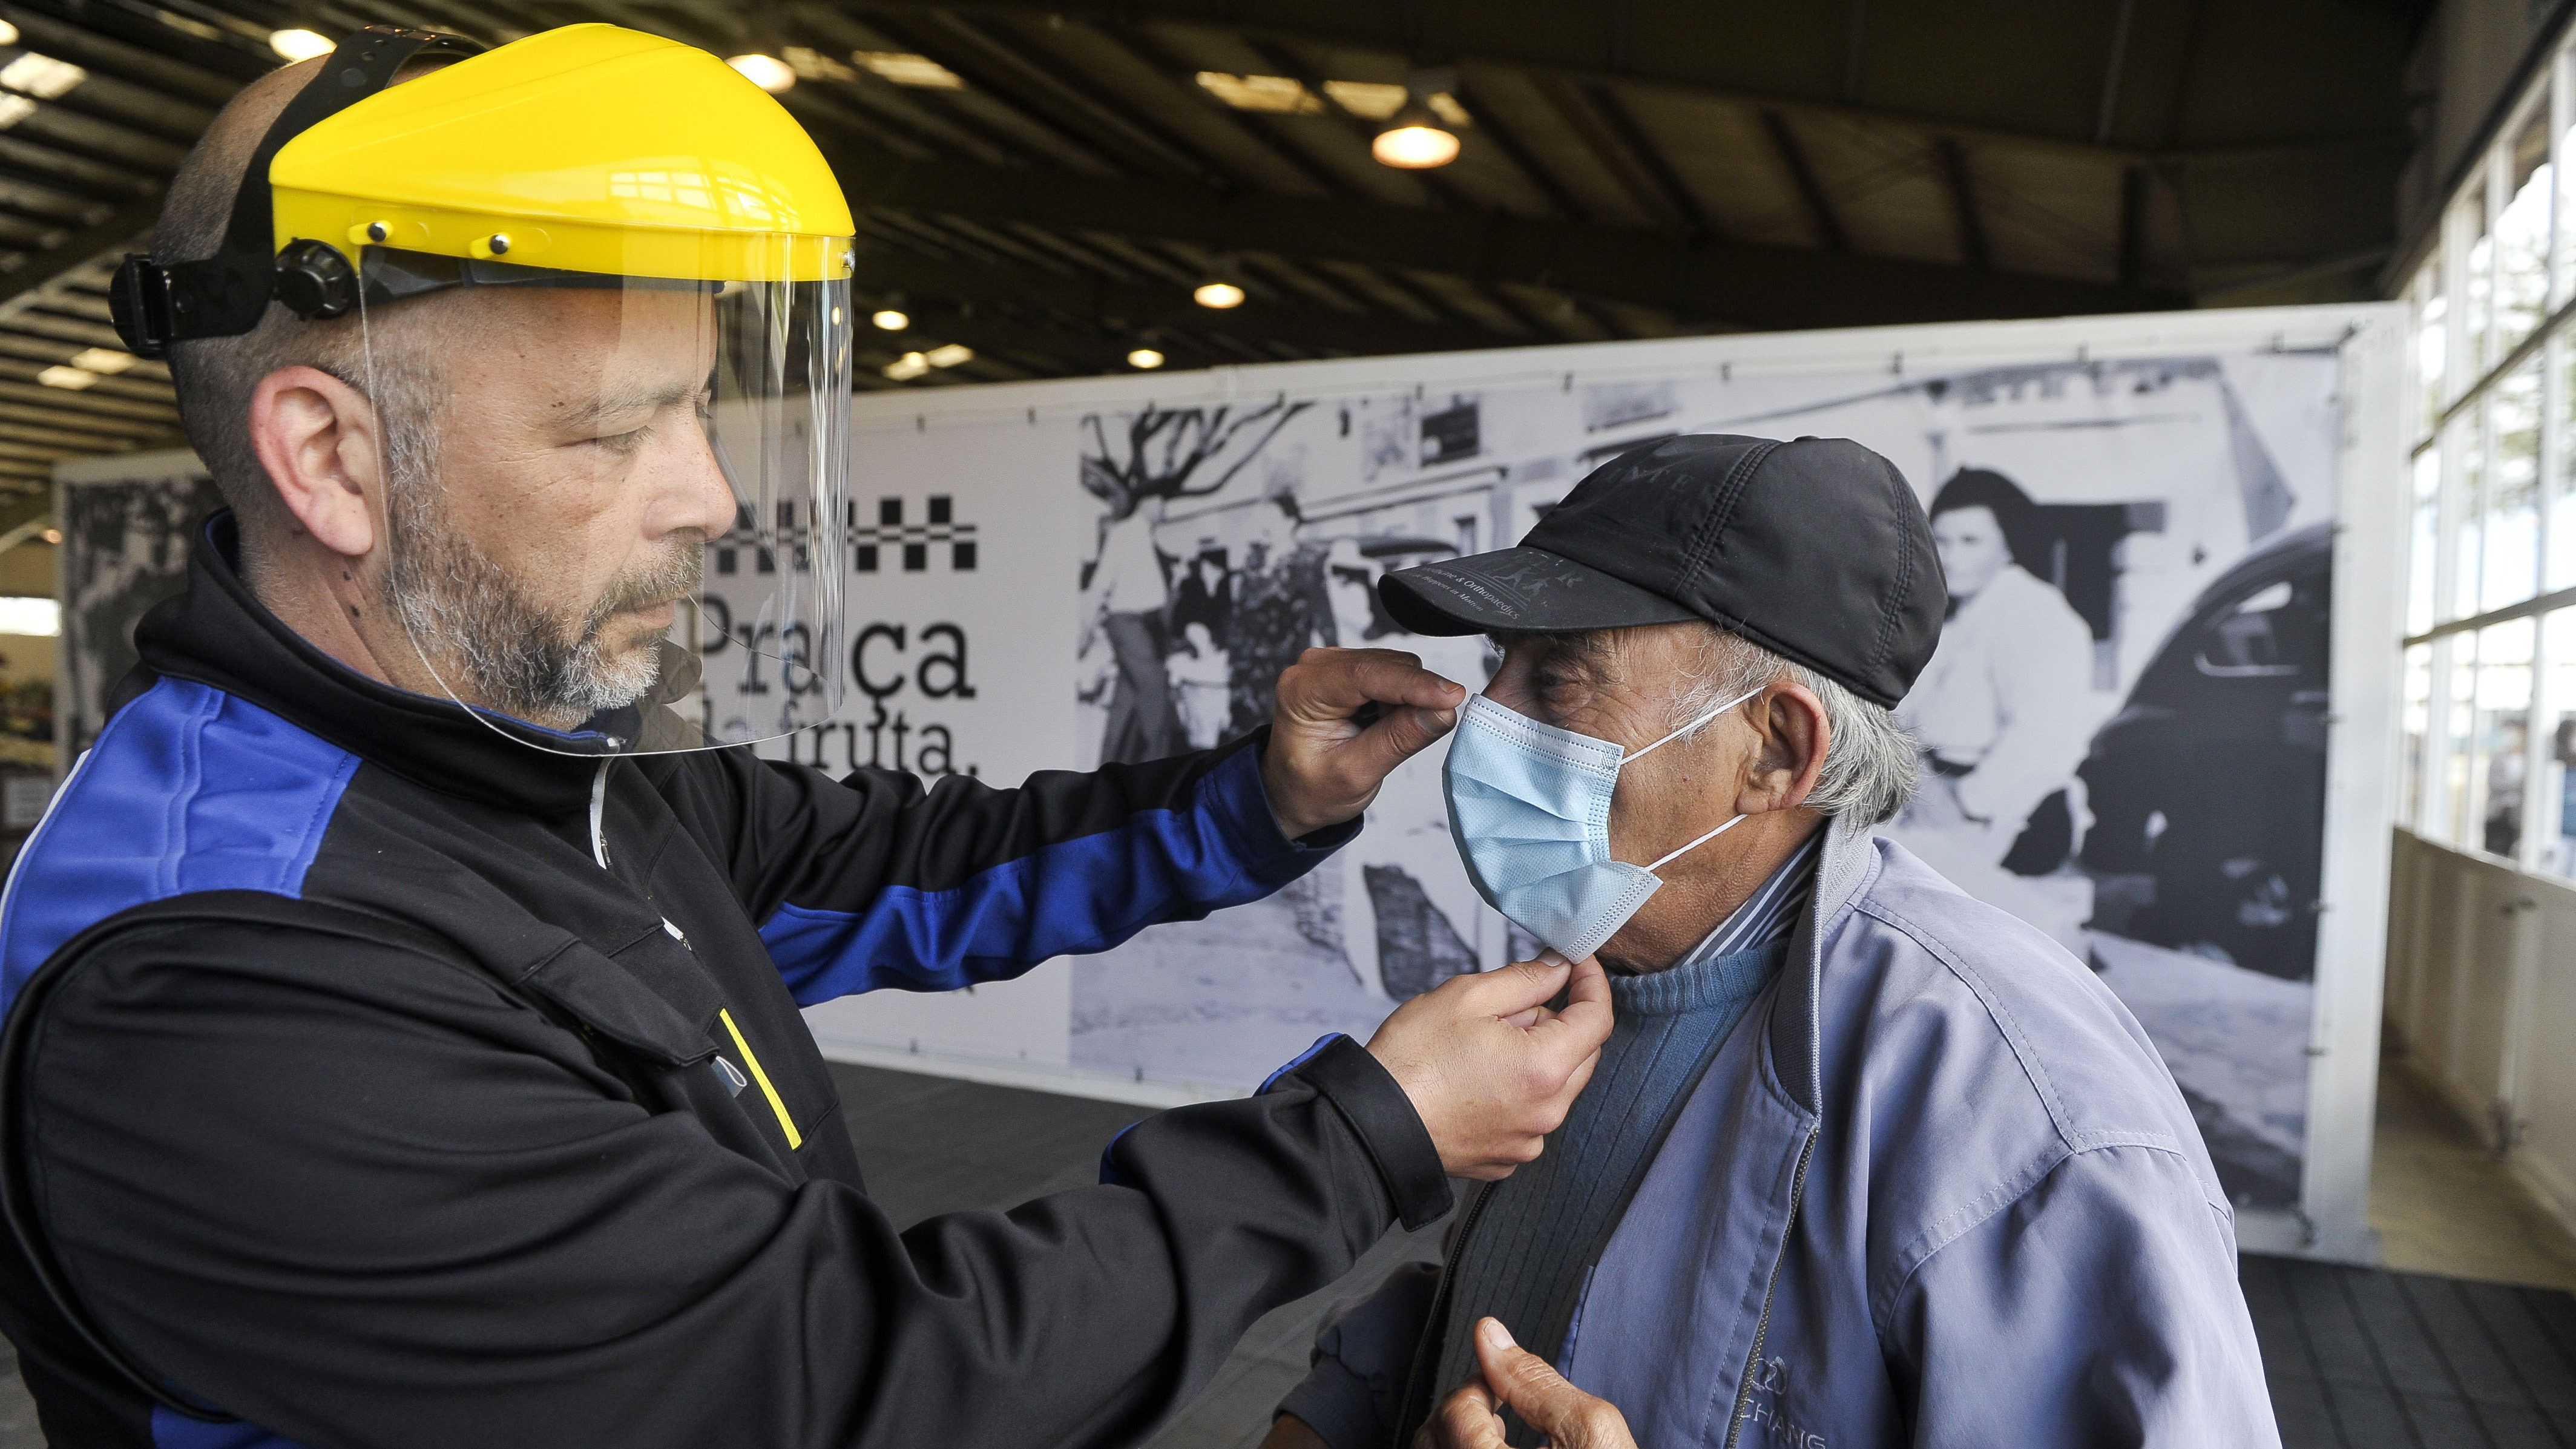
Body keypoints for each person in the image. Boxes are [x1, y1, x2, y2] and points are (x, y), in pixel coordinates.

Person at [0, 28, 1616, 1448]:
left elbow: (905, 869)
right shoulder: (210, 986)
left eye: (698, 409)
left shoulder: (505, 770)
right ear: (333, 461)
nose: (706, 496)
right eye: (616, 429)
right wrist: (1368, 1134)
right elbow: (852, 1385)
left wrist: (1261, 798)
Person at [1265, 435, 2278, 1449]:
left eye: (1562, 678)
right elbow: (1511, 1302)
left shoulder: (2023, 1116)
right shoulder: (1590, 976)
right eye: (1501, 665)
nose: (1486, 716)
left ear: (1776, 751)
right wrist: (1340, 1411)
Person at [1894, 467, 2098, 875]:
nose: (1951, 558)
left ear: (2008, 547)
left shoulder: (2035, 612)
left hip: (2006, 809)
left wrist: (1966, 803)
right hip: (1932, 791)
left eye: (1971, 542)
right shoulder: (1954, 616)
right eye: (1943, 541)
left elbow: (2043, 734)